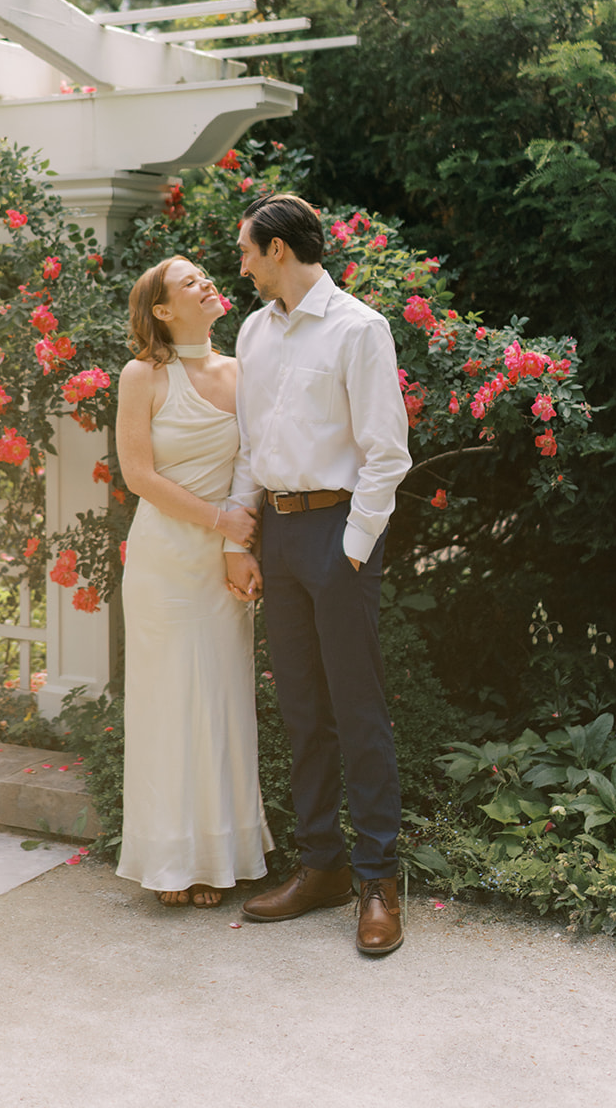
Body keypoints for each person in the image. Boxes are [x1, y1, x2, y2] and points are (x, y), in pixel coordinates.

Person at [223, 194, 412, 955]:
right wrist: (241, 531)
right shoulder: (252, 332)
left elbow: (385, 450)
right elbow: (248, 445)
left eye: (245, 251)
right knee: (301, 707)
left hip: (338, 534)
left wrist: (354, 546)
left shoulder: (358, 329)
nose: (239, 267)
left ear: (276, 250)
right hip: (276, 529)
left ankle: (378, 881)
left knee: (357, 709)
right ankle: (321, 867)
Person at [114, 255, 273, 907]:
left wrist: (239, 540)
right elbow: (138, 475)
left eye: (206, 275)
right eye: (189, 281)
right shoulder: (142, 375)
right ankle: (168, 860)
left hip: (222, 562)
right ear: (160, 309)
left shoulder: (242, 370)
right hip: (163, 564)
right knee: (166, 706)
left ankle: (216, 857)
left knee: (221, 701)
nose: (207, 281)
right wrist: (221, 523)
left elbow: (255, 459)